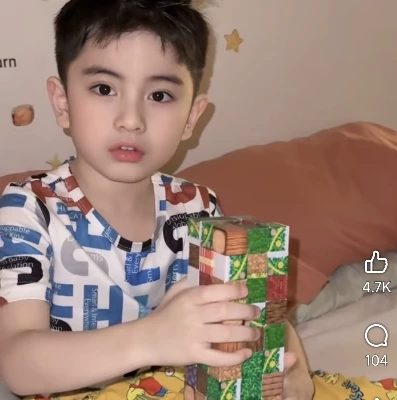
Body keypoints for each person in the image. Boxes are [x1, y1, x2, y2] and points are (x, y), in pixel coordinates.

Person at [0, 0, 303, 399]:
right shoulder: (28, 209)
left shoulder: (199, 209)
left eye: (159, 95)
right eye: (104, 89)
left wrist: (290, 377)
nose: (131, 119)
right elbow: (18, 364)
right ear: (62, 103)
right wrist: (153, 337)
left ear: (191, 117)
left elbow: (254, 312)